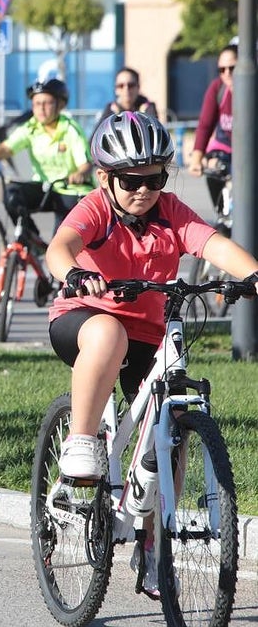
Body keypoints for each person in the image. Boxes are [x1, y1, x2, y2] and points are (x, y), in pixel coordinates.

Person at [44, 112, 258, 594]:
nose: (144, 190)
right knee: (108, 334)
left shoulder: (172, 212)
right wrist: (74, 273)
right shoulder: (95, 208)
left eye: (155, 179)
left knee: (173, 416)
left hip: (145, 333)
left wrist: (254, 275)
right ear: (105, 178)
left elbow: (214, 246)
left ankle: (153, 543)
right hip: (83, 320)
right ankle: (81, 441)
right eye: (130, 180)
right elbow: (61, 246)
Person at [0, 78, 93, 232]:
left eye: (47, 103)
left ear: (60, 105)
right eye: (36, 104)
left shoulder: (71, 129)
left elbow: (86, 165)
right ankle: (31, 241)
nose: (41, 109)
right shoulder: (31, 127)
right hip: (44, 187)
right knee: (12, 194)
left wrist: (79, 174)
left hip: (70, 189)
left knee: (60, 238)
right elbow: (7, 148)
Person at [189, 44, 237, 215]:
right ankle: (223, 215)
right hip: (227, 148)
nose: (227, 73)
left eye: (232, 68)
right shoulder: (218, 88)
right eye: (221, 69)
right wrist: (196, 159)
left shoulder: (252, 89)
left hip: (250, 152)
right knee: (215, 168)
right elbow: (205, 124)